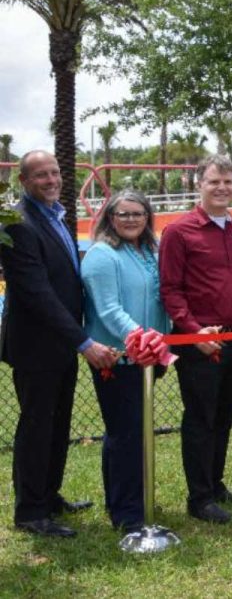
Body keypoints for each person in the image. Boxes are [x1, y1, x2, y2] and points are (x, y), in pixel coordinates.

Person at [1, 151, 116, 537]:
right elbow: (36, 293)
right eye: (40, 175)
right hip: (36, 346)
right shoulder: (20, 222)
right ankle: (31, 512)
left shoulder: (56, 215)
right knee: (37, 426)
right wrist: (84, 341)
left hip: (61, 344)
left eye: (54, 173)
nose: (51, 180)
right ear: (24, 181)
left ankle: (49, 496)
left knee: (58, 424)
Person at [159, 155, 232, 524]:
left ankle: (215, 484)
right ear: (198, 184)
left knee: (225, 415)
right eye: (214, 181)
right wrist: (193, 332)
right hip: (199, 342)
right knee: (201, 417)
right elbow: (170, 290)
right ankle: (199, 498)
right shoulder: (179, 231)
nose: (222, 188)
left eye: (228, 182)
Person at [81, 190, 169, 533]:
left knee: (135, 431)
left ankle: (131, 496)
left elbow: (160, 300)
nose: (131, 219)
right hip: (116, 358)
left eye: (138, 213)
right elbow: (108, 309)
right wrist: (142, 338)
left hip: (148, 357)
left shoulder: (148, 251)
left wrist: (162, 337)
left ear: (148, 217)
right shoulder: (102, 255)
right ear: (110, 217)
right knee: (125, 433)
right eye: (124, 213)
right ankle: (126, 512)